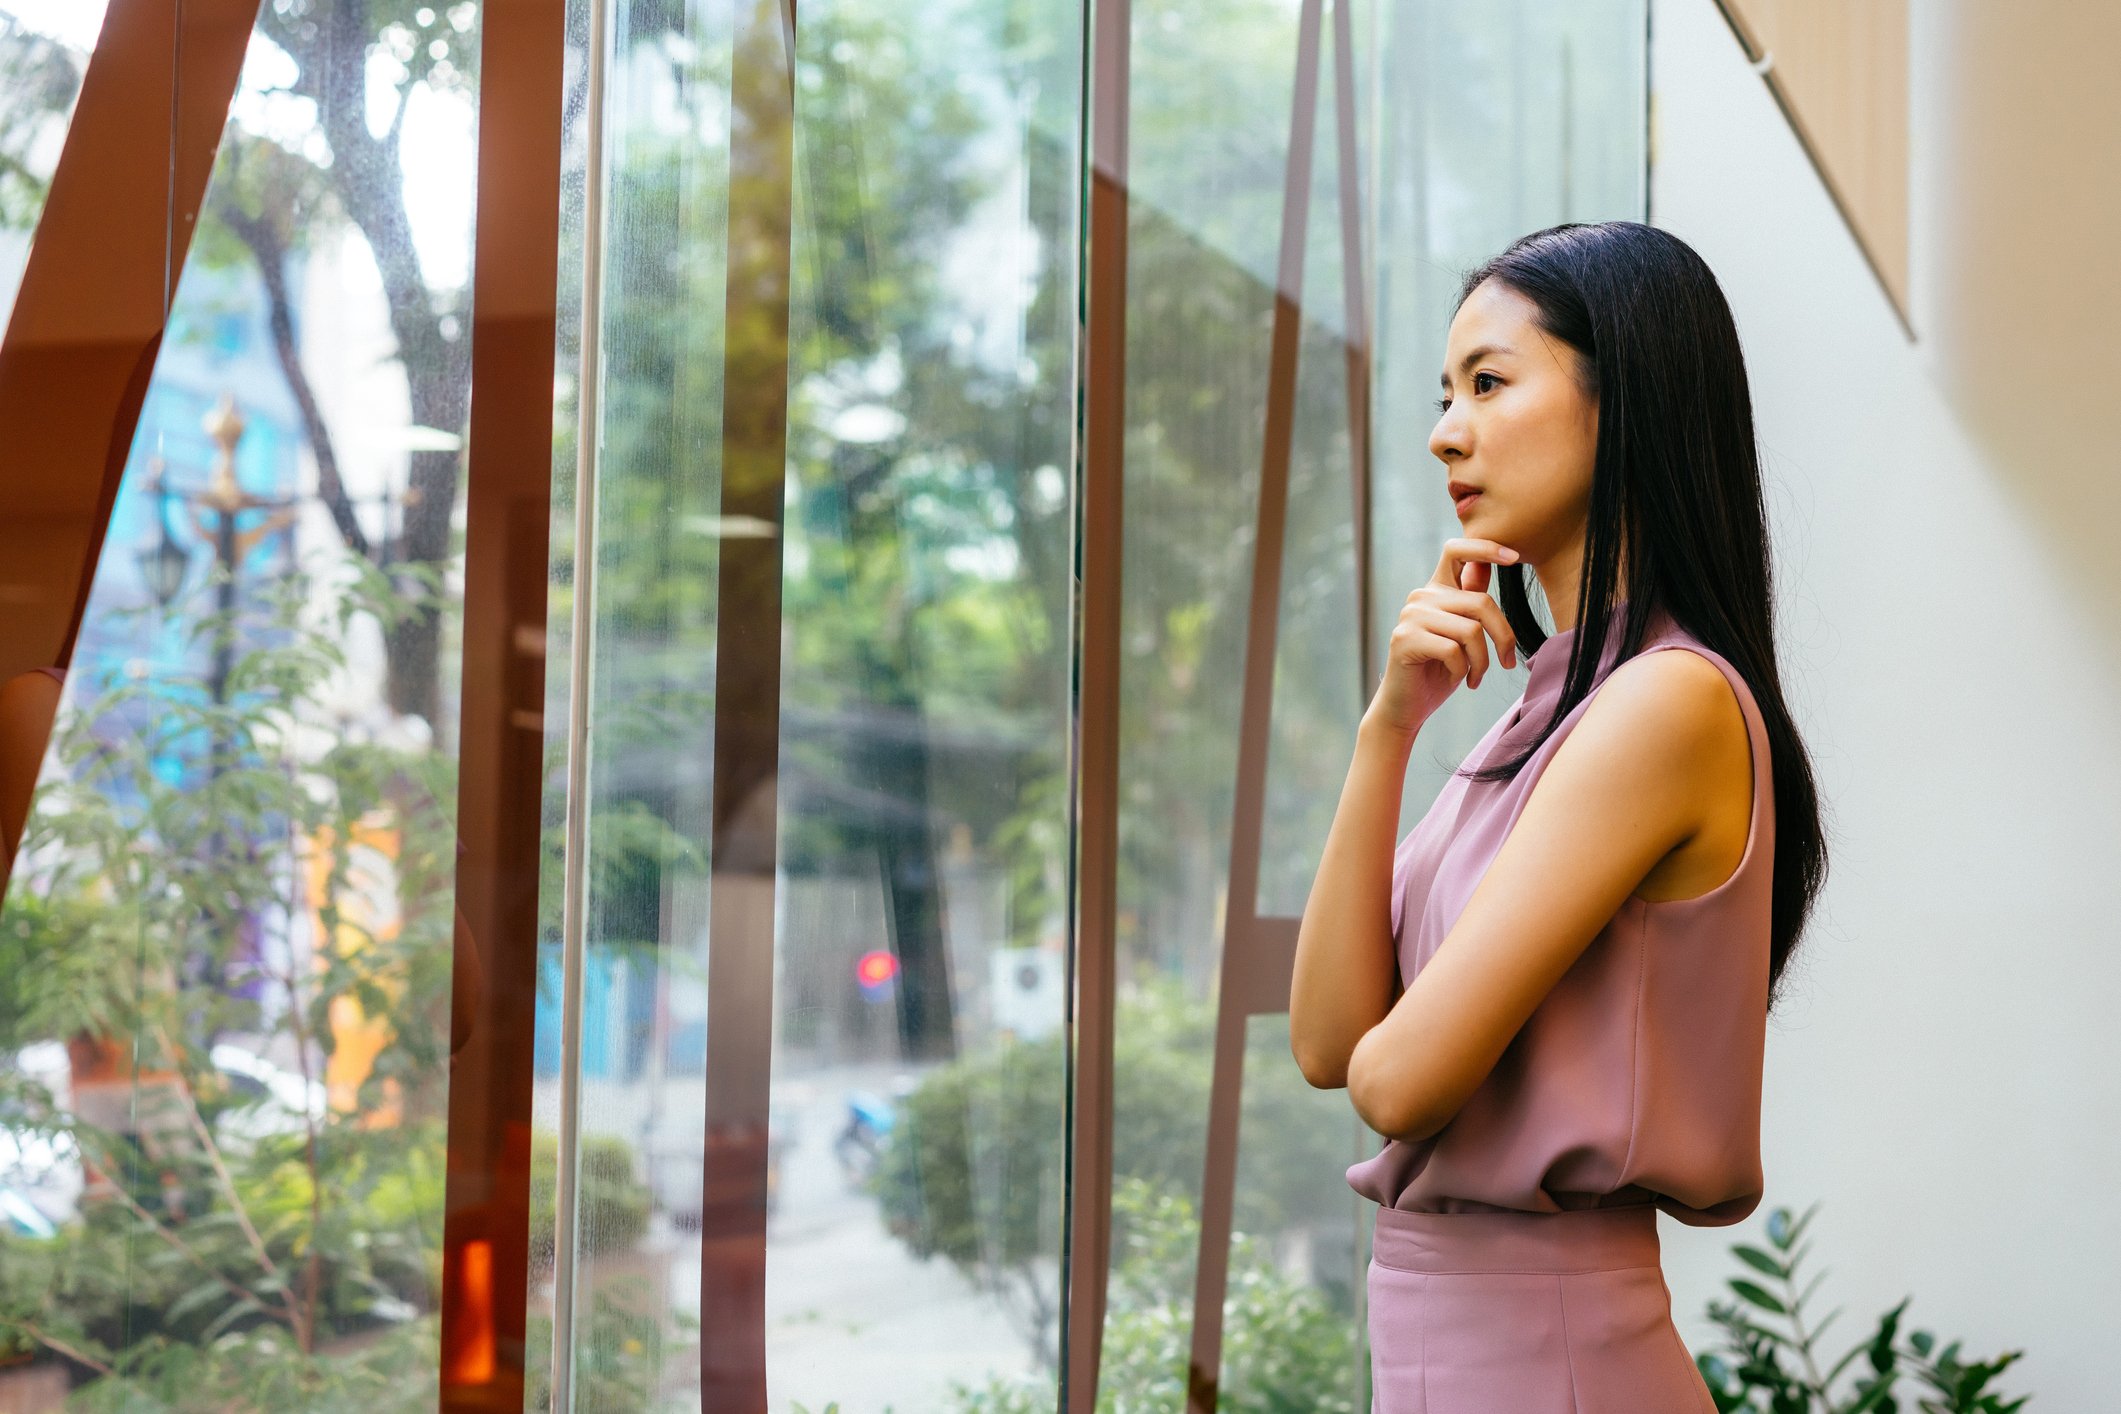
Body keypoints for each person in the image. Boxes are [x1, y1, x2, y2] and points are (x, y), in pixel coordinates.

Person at [1287, 221, 1828, 1411]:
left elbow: (1398, 1086)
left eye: (1488, 381)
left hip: (1556, 1362)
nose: (1445, 431)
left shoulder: (1666, 704)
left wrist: (1396, 1047)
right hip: (1464, 1361)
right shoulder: (1543, 713)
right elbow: (1331, 1043)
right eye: (1445, 394)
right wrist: (1389, 729)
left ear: (1621, 396)